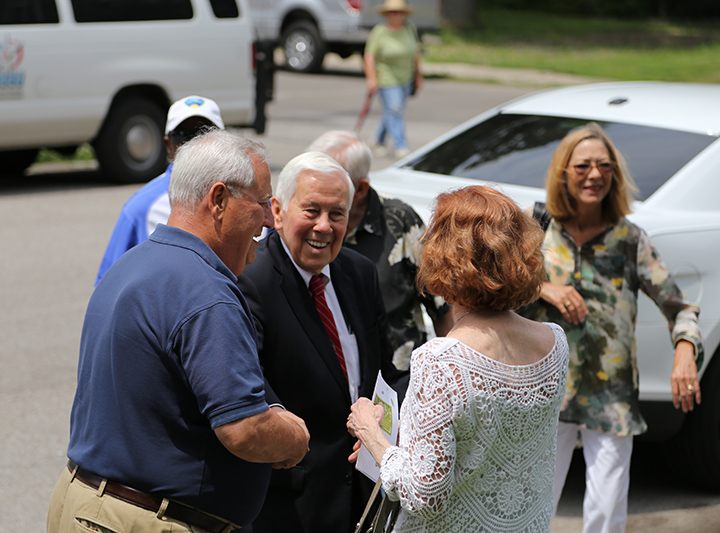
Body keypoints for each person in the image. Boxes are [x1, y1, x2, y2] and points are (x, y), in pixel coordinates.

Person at [48, 130, 310, 533]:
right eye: (260, 202)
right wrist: (293, 437)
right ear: (219, 200)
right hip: (143, 520)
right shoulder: (206, 291)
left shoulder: (135, 263)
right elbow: (243, 430)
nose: (271, 220)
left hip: (91, 505)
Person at [347, 185, 570, 532]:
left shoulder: (440, 360)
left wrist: (372, 434)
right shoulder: (554, 342)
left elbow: (424, 495)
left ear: (442, 258)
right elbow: (486, 437)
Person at [520, 122, 704, 533]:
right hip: (546, 390)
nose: (595, 174)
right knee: (533, 506)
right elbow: (502, 294)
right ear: (563, 171)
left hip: (612, 397)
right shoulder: (538, 229)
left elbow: (680, 307)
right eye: (583, 165)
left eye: (605, 166)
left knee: (606, 516)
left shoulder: (630, 239)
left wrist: (685, 350)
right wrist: (545, 288)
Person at [236, 151, 408, 533]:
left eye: (337, 214)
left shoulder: (358, 272)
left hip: (363, 495)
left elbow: (385, 371)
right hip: (287, 505)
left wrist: (385, 430)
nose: (324, 226)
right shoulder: (251, 281)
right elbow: (249, 391)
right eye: (311, 210)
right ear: (277, 212)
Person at [307, 130, 452, 370]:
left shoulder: (399, 221)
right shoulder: (306, 226)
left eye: (329, 183)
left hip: (396, 377)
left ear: (360, 189)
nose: (322, 224)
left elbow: (442, 306)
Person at [95, 95, 224, 285]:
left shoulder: (249, 198)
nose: (196, 145)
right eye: (185, 136)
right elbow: (110, 286)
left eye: (205, 134)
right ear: (168, 145)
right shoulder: (140, 208)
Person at [363, 0, 422, 159]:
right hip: (387, 78)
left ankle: (378, 139)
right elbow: (369, 55)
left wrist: (418, 75)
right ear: (387, 14)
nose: (396, 15)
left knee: (393, 111)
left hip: (406, 77)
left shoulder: (409, 28)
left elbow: (415, 53)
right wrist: (371, 78)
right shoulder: (380, 31)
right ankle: (400, 145)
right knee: (394, 109)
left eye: (399, 12)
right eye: (392, 12)